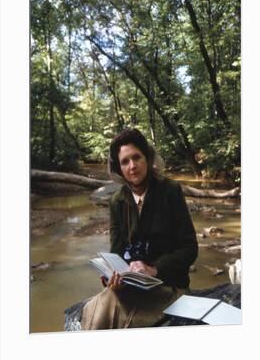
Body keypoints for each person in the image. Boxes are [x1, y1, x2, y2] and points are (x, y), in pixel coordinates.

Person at [81, 128, 198, 330]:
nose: (132, 166)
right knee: (96, 306)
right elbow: (117, 252)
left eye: (137, 157)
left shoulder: (170, 191)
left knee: (108, 312)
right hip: (132, 288)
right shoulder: (117, 201)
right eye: (125, 161)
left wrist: (154, 269)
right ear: (118, 168)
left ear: (148, 158)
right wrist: (112, 275)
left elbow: (190, 249)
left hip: (169, 288)